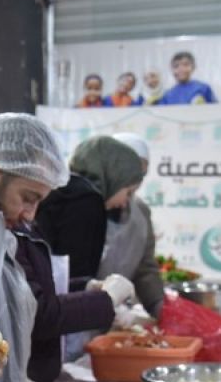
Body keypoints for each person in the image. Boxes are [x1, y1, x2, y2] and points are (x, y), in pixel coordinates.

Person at [0, 114, 129, 382]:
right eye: (28, 198)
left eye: (38, 202)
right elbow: (40, 311)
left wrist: (85, 286)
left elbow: (29, 293)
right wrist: (104, 301)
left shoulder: (6, 226)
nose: (30, 215)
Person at [36, 136, 147, 360]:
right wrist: (104, 303)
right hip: (55, 325)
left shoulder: (65, 190)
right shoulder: (86, 201)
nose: (126, 202)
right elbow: (71, 272)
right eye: (128, 191)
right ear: (113, 177)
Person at [101, 133, 165, 319]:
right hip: (79, 316)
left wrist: (159, 307)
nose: (135, 178)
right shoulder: (84, 206)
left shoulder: (141, 213)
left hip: (117, 319)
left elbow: (145, 269)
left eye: (141, 174)